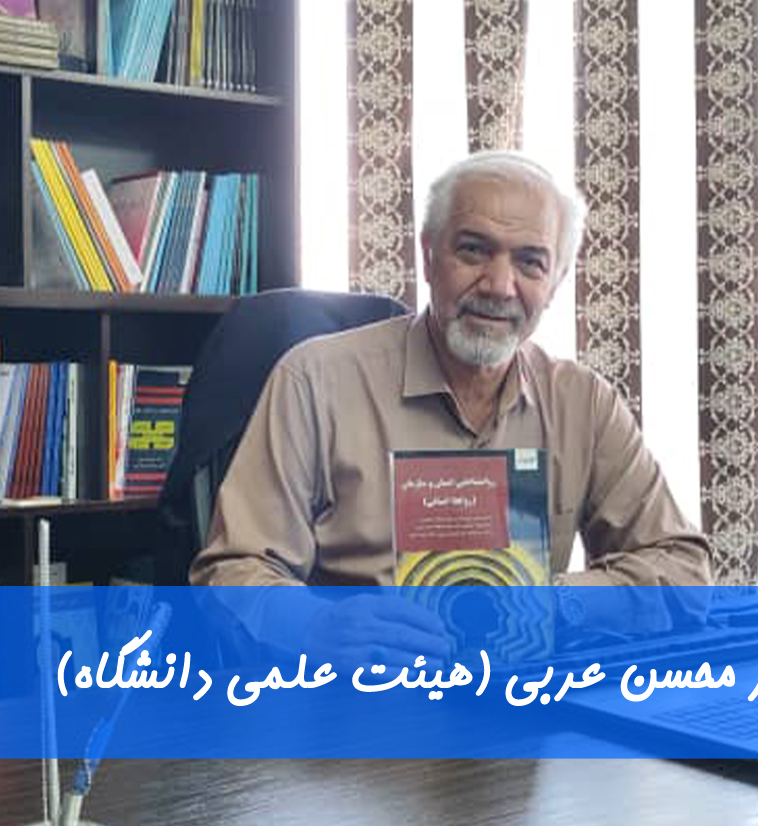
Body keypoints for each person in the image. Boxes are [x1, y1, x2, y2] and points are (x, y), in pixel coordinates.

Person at [190, 151, 711, 666]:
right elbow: (231, 572)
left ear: (556, 280)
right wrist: (315, 625)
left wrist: (561, 603)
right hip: (359, 697)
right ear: (428, 256)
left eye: (530, 262)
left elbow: (685, 571)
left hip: (523, 695)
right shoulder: (314, 381)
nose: (499, 286)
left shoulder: (583, 402)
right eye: (473, 250)